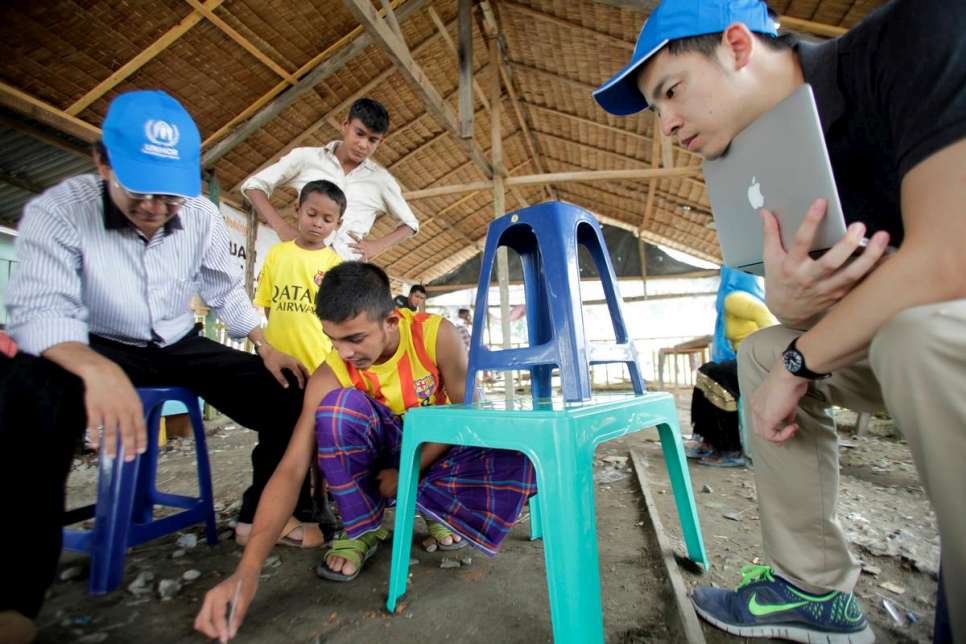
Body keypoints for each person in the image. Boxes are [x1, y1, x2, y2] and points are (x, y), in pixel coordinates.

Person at [595, 0, 966, 641]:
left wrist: (804, 360)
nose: (667, 125)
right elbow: (819, 312)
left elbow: (950, 258)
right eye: (657, 110)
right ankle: (811, 590)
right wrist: (795, 313)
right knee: (764, 350)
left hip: (938, 330)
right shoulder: (764, 166)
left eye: (672, 92)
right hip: (910, 338)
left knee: (910, 338)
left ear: (738, 45)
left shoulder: (913, 36)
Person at [0, 90, 321, 640]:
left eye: (169, 197)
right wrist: (93, 368)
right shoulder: (60, 210)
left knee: (290, 392)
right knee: (26, 398)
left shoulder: (198, 215)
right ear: (103, 163)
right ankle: (14, 597)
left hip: (177, 342)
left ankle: (256, 516)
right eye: (139, 192)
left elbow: (225, 290)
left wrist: (265, 343)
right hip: (92, 342)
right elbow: (37, 311)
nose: (154, 209)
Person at [194, 262, 536, 641]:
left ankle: (427, 504)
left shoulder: (436, 336)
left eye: (355, 338)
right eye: (332, 339)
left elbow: (466, 419)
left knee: (514, 448)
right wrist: (248, 569)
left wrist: (409, 470)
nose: (344, 352)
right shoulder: (331, 372)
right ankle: (363, 527)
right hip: (381, 462)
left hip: (434, 452)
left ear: (391, 320)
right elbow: (291, 469)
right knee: (336, 412)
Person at [241, 98, 419, 261]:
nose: (363, 145)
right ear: (345, 125)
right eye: (359, 133)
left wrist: (376, 246)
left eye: (372, 140)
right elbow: (254, 186)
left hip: (344, 275)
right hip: (300, 261)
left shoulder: (381, 180)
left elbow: (410, 224)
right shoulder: (306, 158)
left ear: (381, 142)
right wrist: (281, 228)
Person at [253, 180, 345, 373]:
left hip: (315, 362)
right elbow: (268, 304)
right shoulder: (276, 253)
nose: (317, 223)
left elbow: (336, 319)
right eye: (311, 214)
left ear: (338, 224)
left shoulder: (335, 265)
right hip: (274, 360)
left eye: (327, 220)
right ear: (297, 210)